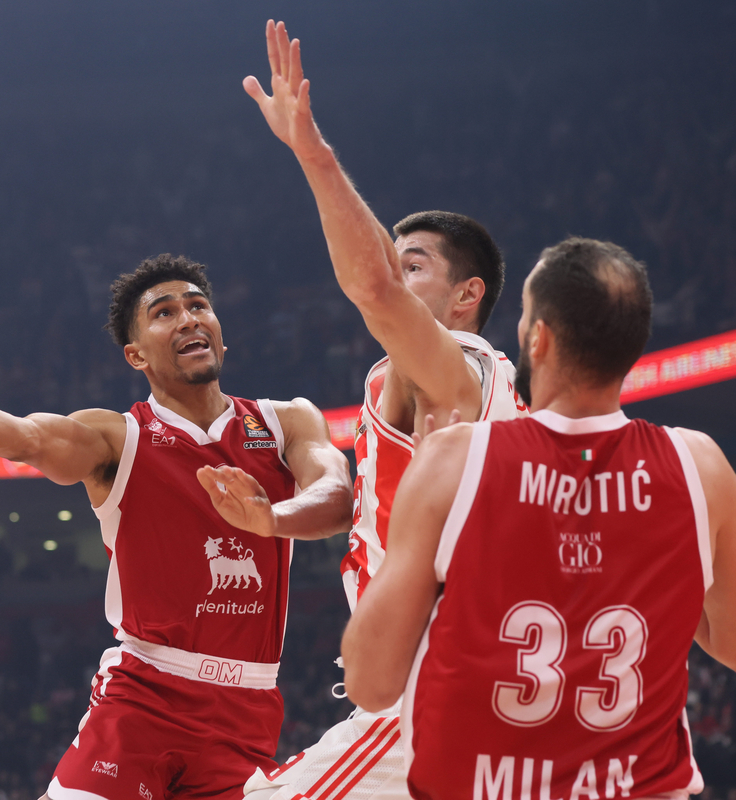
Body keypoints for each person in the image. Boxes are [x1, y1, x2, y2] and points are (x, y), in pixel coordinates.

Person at [0, 253, 354, 800]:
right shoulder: (117, 438)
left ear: (220, 334)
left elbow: (337, 498)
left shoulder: (285, 421)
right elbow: (24, 438)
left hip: (248, 709)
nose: (190, 318)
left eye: (198, 306)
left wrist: (270, 518)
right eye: (165, 312)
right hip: (147, 696)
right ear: (136, 354)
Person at [343, 237, 736, 800]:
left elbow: (371, 682)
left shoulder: (455, 459)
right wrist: (662, 561)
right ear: (634, 345)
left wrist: (423, 524)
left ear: (539, 339)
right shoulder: (700, 466)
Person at [242, 20, 527, 800]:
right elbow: (362, 512)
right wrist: (276, 519)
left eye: (415, 264)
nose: (393, 274)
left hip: (424, 690)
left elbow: (373, 289)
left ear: (468, 295)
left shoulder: (456, 366)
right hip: (468, 681)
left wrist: (312, 154)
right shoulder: (477, 390)